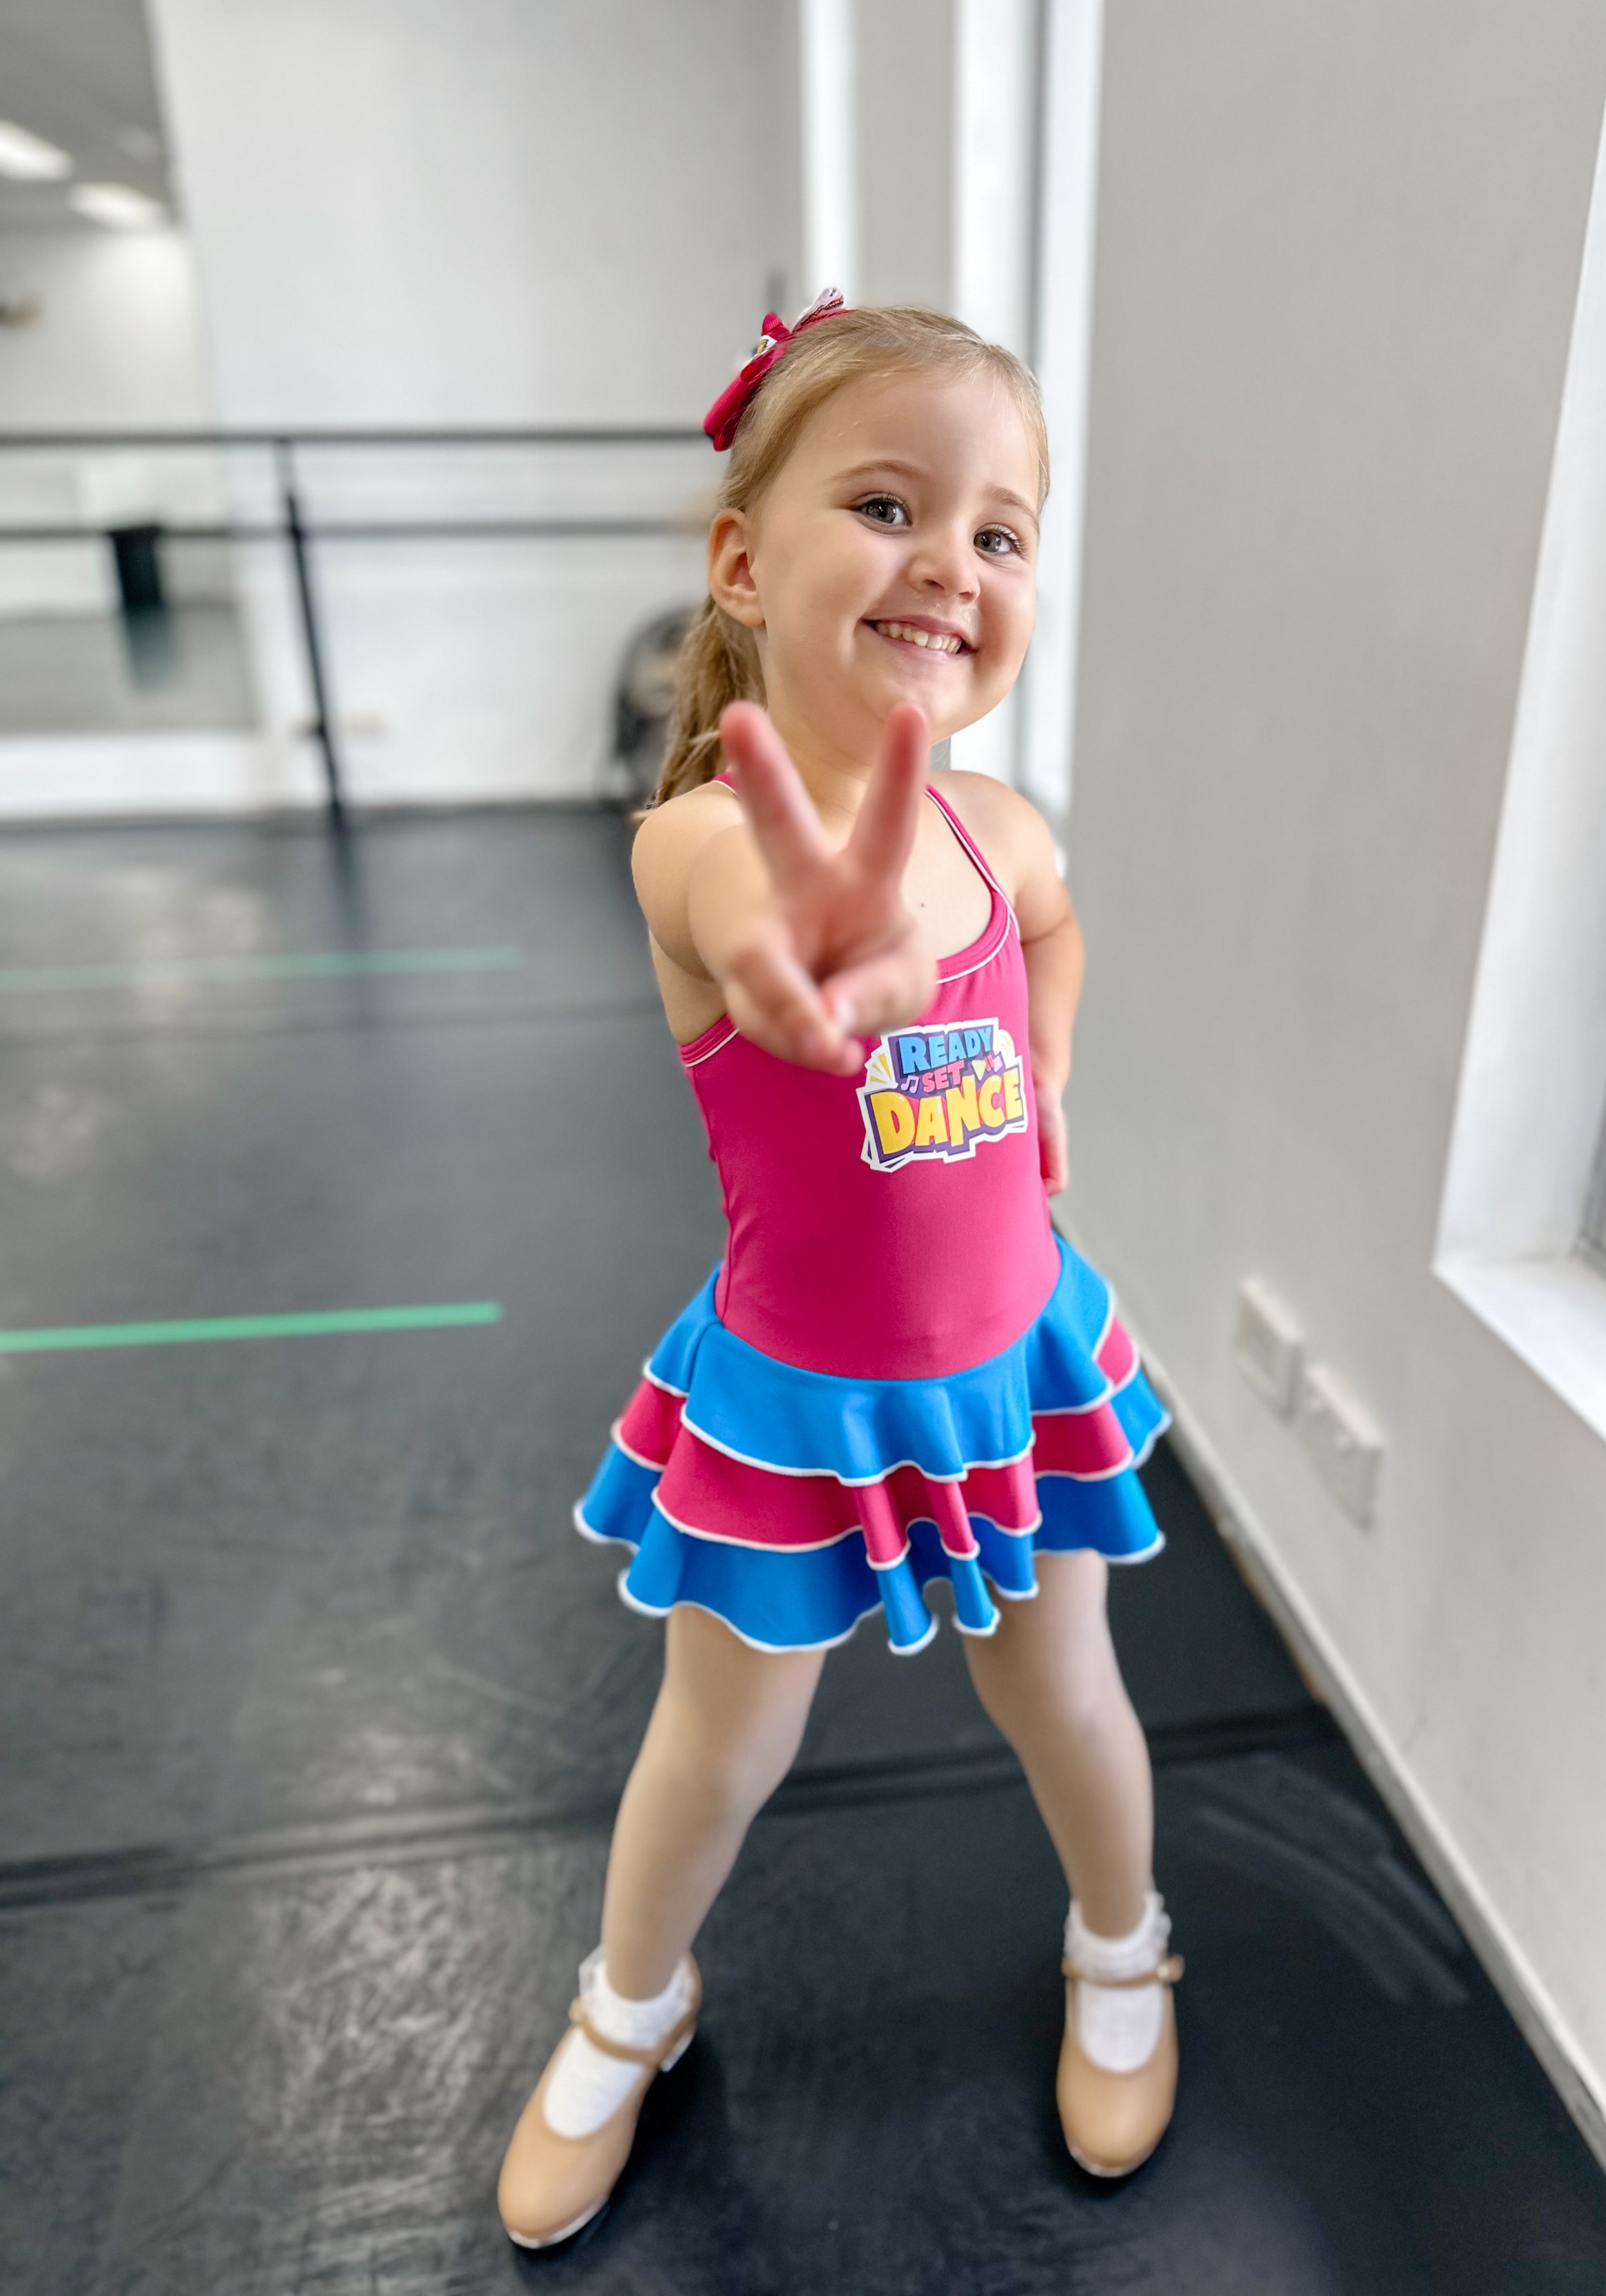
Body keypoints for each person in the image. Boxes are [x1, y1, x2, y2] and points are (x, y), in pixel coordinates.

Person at [497, 296, 1183, 2250]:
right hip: (800, 1390)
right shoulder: (698, 848)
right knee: (720, 1739)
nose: (949, 564)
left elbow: (1045, 928)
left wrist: (1039, 1064)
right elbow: (747, 913)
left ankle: (1123, 1946)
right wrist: (810, 954)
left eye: (1000, 530)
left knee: (1063, 1692)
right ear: (742, 555)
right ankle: (633, 2003)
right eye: (886, 503)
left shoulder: (1000, 822)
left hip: (1011, 1365)